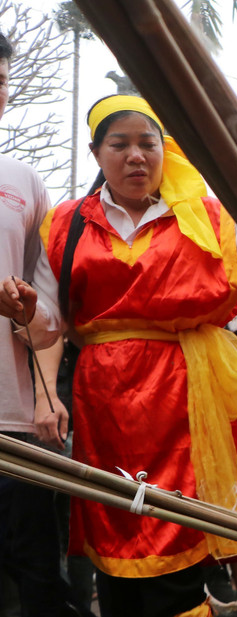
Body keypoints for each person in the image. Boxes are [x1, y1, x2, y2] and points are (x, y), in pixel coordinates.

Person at [6, 95, 237, 617]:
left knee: (180, 538)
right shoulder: (66, 225)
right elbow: (50, 327)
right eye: (119, 144)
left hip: (183, 397)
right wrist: (36, 358)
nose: (136, 156)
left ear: (164, 150)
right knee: (114, 533)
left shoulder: (204, 218)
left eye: (148, 144)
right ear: (96, 152)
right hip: (102, 399)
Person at [0, 31, 81, 617]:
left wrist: (30, 310)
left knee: (37, 578)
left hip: (12, 421)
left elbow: (47, 317)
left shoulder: (25, 183)